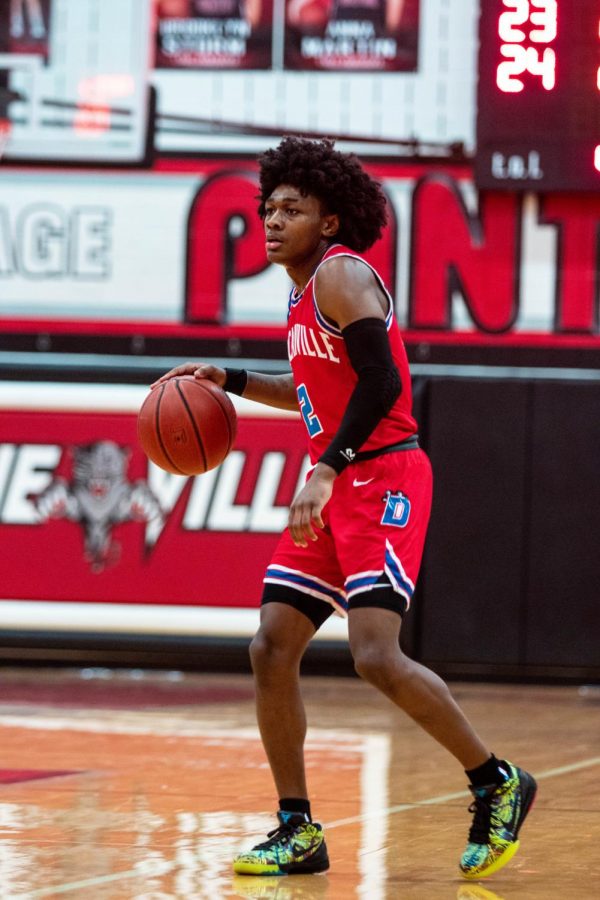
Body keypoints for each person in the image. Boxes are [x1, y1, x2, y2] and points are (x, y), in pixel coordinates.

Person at [152, 136, 537, 881]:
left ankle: (496, 781)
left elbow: (385, 383)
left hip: (384, 478)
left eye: (291, 208)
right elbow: (311, 391)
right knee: (271, 646)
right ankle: (297, 828)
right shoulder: (301, 293)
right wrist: (228, 378)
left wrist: (326, 468)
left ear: (329, 222)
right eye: (267, 207)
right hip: (339, 481)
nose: (271, 219)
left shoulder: (343, 276)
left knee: (374, 655)